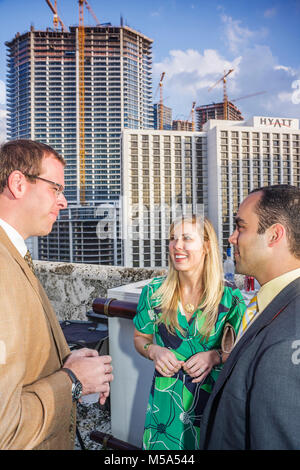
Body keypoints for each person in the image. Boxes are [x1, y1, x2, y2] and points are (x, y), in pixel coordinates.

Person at [0, 139, 113, 450]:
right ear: (18, 183)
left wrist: (66, 362)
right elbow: (5, 429)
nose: (63, 202)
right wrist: (72, 382)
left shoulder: (14, 255)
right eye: (55, 188)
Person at [200, 184, 300, 450]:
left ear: (274, 235)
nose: (232, 238)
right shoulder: (271, 304)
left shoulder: (287, 338)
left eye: (241, 227)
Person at [133, 215, 246, 450]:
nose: (177, 246)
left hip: (211, 406)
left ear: (206, 246)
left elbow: (240, 352)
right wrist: (154, 351)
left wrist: (214, 356)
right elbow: (140, 338)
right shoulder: (154, 292)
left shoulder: (231, 299)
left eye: (186, 238)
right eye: (173, 239)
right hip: (164, 409)